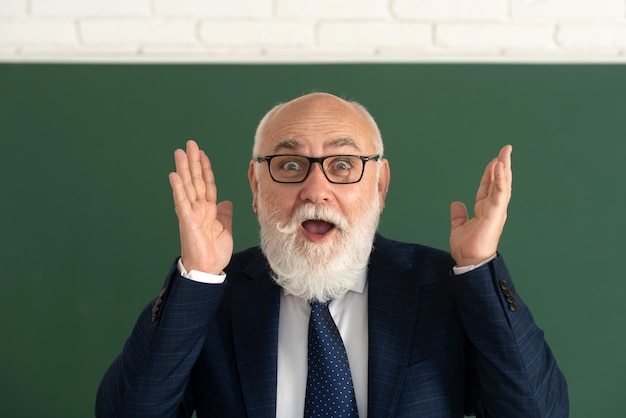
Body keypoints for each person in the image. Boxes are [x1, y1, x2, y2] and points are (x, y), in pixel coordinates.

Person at [96, 92, 568, 417]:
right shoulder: (212, 296)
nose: (316, 189)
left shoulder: (443, 286)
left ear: (380, 185)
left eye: (343, 165)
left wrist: (479, 266)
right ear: (256, 187)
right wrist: (198, 276)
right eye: (289, 165)